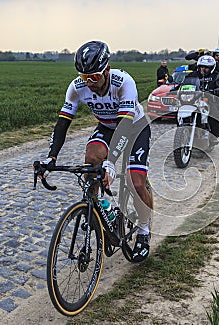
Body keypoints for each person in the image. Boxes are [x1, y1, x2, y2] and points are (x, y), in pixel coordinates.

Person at [41, 41, 152, 263]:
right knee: (91, 161)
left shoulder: (124, 83)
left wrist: (111, 162)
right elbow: (62, 124)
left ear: (107, 70)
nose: (89, 83)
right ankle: (100, 206)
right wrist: (50, 157)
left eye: (94, 77)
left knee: (136, 182)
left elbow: (124, 127)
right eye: (84, 77)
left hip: (133, 127)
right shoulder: (76, 87)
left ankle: (144, 231)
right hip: (107, 127)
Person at [185, 55, 219, 140]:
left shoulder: (216, 76)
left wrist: (217, 90)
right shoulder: (193, 75)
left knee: (214, 115)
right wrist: (175, 89)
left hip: (209, 99)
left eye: (206, 67)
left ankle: (214, 136)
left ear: (212, 68)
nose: (203, 69)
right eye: (201, 67)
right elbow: (186, 82)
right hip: (194, 99)